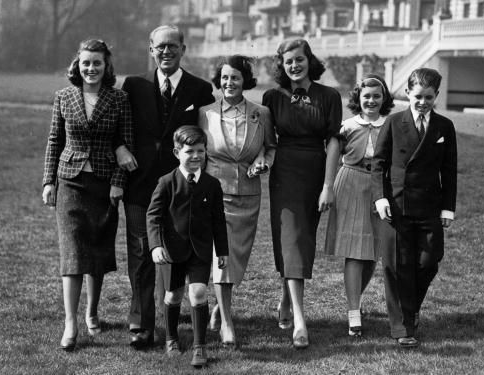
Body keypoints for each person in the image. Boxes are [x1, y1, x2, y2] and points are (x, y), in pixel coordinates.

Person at [116, 24, 215, 349]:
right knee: (141, 252)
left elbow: (206, 136)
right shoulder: (133, 85)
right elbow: (119, 124)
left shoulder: (199, 89)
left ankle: (176, 311)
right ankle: (142, 324)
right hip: (140, 183)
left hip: (181, 188)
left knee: (182, 249)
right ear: (151, 49)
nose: (167, 52)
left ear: (183, 49)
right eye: (161, 47)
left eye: (173, 46)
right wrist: (120, 147)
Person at [42, 39, 133, 351]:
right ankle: (71, 322)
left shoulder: (119, 99)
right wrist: (48, 181)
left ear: (106, 66)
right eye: (86, 63)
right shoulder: (64, 97)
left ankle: (92, 312)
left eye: (97, 63)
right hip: (70, 183)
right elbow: (55, 140)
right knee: (72, 253)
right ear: (77, 66)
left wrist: (119, 183)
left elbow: (126, 142)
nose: (91, 69)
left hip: (105, 185)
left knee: (97, 251)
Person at [262, 39, 342, 349]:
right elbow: (266, 139)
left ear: (309, 60)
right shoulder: (272, 97)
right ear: (280, 65)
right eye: (287, 61)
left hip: (315, 174)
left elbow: (334, 142)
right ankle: (299, 318)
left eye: (299, 59)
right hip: (284, 175)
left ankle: (284, 297)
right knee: (291, 240)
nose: (294, 65)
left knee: (301, 242)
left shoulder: (329, 96)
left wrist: (327, 186)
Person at [372, 67, 458, 348]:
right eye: (418, 96)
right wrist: (380, 197)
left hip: (430, 207)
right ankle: (403, 328)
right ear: (408, 93)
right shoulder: (394, 122)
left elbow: (450, 169)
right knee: (397, 266)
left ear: (437, 96)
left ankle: (410, 308)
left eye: (429, 97)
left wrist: (448, 208)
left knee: (428, 261)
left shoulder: (444, 126)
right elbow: (379, 164)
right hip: (396, 206)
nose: (423, 102)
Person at [199, 55, 276, 347]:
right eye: (225, 78)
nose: (229, 83)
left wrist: (262, 162)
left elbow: (270, 147)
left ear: (245, 81)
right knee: (222, 257)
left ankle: (220, 306)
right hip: (214, 194)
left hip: (248, 194)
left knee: (237, 259)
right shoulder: (205, 113)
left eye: (235, 78)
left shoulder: (261, 113)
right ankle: (228, 324)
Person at [146, 125, 228, 367]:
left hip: (201, 250)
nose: (196, 156)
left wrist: (221, 250)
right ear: (176, 152)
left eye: (201, 151)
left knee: (199, 292)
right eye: (190, 151)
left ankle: (199, 346)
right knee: (174, 295)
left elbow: (218, 220)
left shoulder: (212, 185)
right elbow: (153, 216)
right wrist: (155, 246)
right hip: (172, 251)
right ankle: (171, 338)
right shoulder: (166, 182)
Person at [324, 74, 398, 338]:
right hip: (351, 184)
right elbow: (332, 156)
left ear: (384, 99)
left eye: (377, 96)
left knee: (372, 253)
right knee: (354, 251)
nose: (371, 100)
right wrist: (328, 188)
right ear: (358, 98)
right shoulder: (347, 126)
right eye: (366, 96)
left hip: (380, 188)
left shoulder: (391, 125)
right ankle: (353, 312)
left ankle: (357, 297)